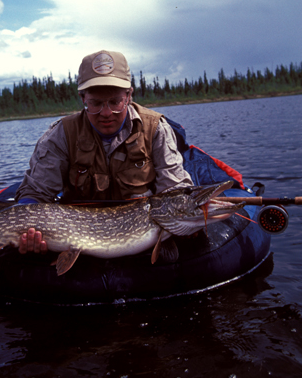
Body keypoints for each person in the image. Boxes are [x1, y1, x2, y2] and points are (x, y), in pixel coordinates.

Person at [15, 50, 193, 253]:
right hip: (74, 235)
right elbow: (35, 193)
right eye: (96, 103)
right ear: (82, 98)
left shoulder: (155, 128)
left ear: (128, 96)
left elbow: (175, 190)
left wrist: (187, 218)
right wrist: (25, 226)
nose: (106, 113)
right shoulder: (60, 135)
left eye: (115, 102)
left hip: (139, 230)